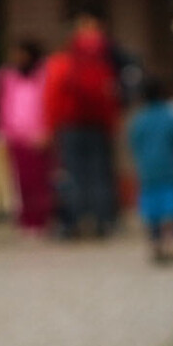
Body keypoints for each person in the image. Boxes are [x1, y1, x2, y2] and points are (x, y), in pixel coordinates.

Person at [44, 13, 121, 238]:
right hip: (99, 125)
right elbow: (112, 94)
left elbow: (52, 97)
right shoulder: (104, 58)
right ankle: (103, 222)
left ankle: (74, 222)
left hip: (70, 126)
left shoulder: (61, 61)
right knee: (100, 174)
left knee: (73, 174)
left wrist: (52, 126)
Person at [126, 78, 173, 263]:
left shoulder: (139, 120)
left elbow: (134, 145)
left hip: (148, 171)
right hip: (171, 169)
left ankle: (156, 243)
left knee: (152, 210)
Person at [0, 41, 53, 235]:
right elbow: (0, 105)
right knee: (20, 181)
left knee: (40, 180)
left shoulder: (44, 73)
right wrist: (2, 131)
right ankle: (26, 219)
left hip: (39, 136)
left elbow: (50, 103)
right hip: (15, 136)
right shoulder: (7, 76)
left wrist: (47, 130)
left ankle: (43, 219)